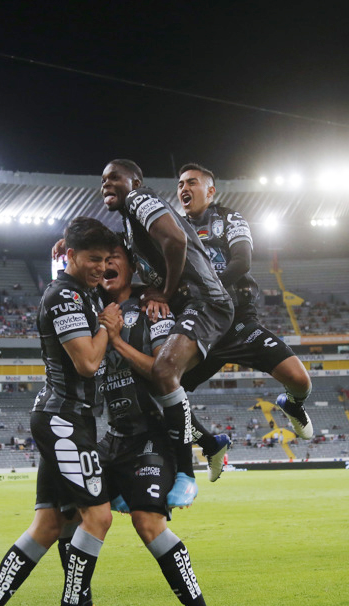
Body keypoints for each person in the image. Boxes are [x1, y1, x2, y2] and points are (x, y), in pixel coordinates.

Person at [38, 243, 229, 606]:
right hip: (114, 437)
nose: (105, 267)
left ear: (130, 265)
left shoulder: (154, 314)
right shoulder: (93, 311)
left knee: (149, 525)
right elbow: (71, 278)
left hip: (152, 437)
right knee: (68, 517)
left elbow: (165, 372)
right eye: (100, 261)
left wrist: (116, 338)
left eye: (114, 260)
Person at [0, 218, 123, 606]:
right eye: (92, 259)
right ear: (71, 255)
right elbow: (87, 363)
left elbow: (76, 277)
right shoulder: (66, 295)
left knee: (49, 526)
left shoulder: (76, 288)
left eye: (105, 260)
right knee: (98, 518)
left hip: (68, 420)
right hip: (65, 420)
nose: (101, 268)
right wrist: (108, 328)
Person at [97, 159, 235, 505]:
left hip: (206, 303)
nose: (106, 184)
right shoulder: (131, 225)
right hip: (189, 304)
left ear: (136, 181)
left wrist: (165, 293)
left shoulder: (139, 200)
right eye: (103, 180)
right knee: (151, 378)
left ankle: (186, 475)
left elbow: (175, 241)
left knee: (161, 370)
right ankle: (208, 443)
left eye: (115, 177)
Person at [176, 164, 314, 445]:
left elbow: (242, 261)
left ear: (210, 191)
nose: (184, 189)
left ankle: (292, 405)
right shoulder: (174, 227)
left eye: (192, 182)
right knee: (165, 389)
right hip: (203, 326)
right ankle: (209, 444)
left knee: (300, 381)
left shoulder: (229, 218)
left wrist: (208, 288)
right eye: (180, 185)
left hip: (239, 321)